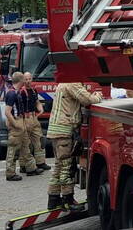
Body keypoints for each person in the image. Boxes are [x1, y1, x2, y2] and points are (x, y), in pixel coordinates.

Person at [46, 82, 103, 210]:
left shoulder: (63, 83)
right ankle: (68, 200)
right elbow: (87, 100)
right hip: (64, 131)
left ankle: (53, 199)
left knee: (58, 167)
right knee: (67, 167)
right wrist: (98, 96)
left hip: (56, 131)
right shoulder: (72, 83)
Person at [4, 72, 40, 181]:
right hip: (17, 122)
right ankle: (10, 173)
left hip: (22, 120)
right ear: (21, 80)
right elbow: (7, 112)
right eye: (24, 79)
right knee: (13, 149)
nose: (26, 81)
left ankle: (31, 168)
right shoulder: (12, 94)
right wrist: (15, 124)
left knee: (26, 145)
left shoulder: (16, 92)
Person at [22, 72, 50, 171]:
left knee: (40, 140)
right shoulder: (21, 92)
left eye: (30, 79)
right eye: (26, 79)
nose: (28, 81)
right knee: (26, 143)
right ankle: (24, 165)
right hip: (25, 118)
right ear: (23, 80)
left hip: (34, 118)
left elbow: (37, 102)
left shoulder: (34, 90)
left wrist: (40, 109)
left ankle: (41, 162)